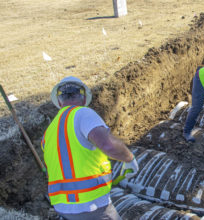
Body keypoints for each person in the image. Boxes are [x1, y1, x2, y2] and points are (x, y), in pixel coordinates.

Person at [41, 76, 139, 220]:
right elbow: (108, 145)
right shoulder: (82, 113)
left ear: (60, 101)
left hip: (62, 207)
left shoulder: (48, 132)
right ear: (84, 98)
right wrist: (129, 158)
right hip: (90, 204)